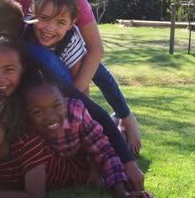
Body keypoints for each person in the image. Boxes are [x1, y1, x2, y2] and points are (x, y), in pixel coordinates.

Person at [0, 0, 145, 190]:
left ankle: (120, 125)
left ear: (1, 37)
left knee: (92, 131)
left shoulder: (39, 73)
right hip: (40, 156)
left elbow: (93, 111)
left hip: (68, 148)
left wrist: (128, 162)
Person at [3, 0, 142, 156]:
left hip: (67, 44)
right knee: (43, 70)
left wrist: (76, 99)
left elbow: (96, 48)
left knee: (94, 67)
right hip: (32, 52)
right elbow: (3, 49)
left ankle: (124, 117)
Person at [20, 65, 154, 198]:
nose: (51, 117)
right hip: (74, 168)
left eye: (57, 105)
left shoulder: (75, 112)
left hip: (86, 157)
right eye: (38, 111)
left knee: (114, 143)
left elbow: (103, 150)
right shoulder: (24, 129)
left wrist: (121, 192)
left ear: (63, 99)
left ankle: (119, 123)